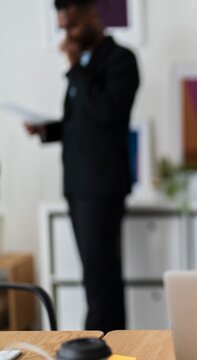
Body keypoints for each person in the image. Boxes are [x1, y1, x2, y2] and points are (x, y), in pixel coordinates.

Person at [25, 0, 139, 332]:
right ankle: (104, 342)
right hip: (78, 184)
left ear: (93, 15)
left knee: (101, 276)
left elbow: (107, 114)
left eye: (72, 25)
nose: (67, 35)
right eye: (62, 28)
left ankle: (100, 344)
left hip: (101, 186)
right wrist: (49, 129)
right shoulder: (85, 65)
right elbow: (84, 122)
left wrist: (76, 68)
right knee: (94, 274)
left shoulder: (121, 60)